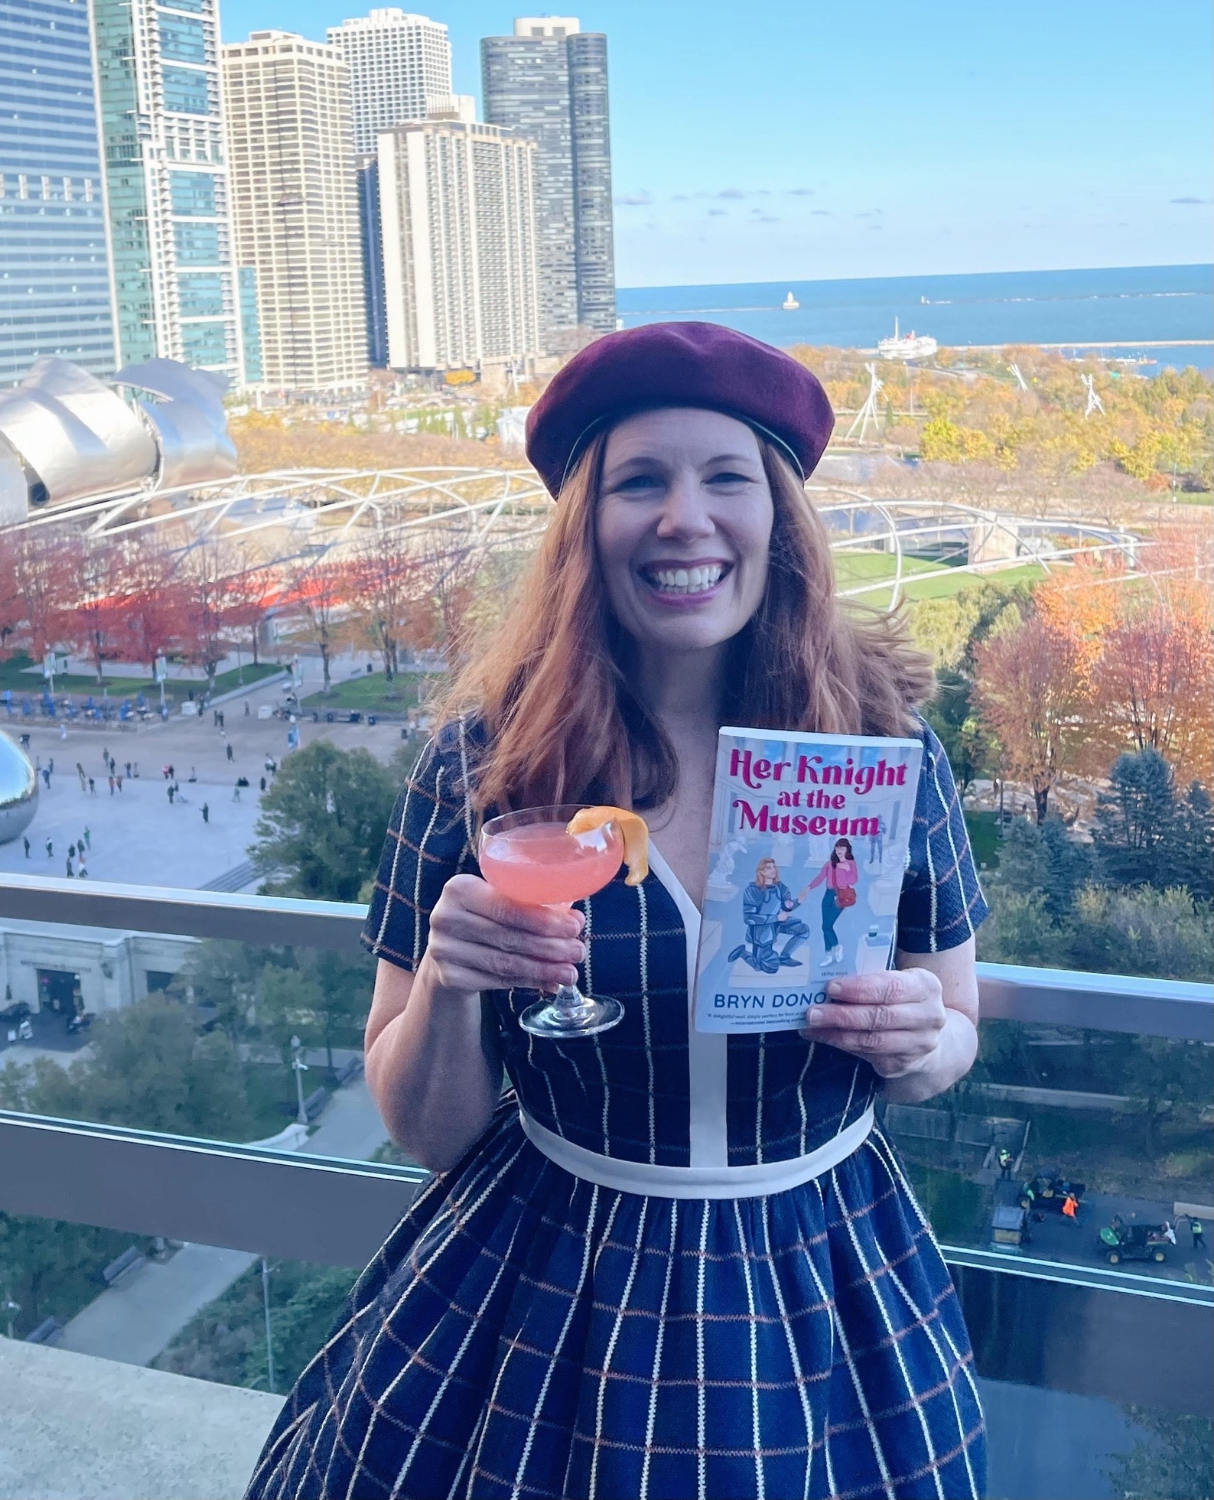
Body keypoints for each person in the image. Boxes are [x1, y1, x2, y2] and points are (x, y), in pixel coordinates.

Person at [245, 323, 988, 1499]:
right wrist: (449, 982)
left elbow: (954, 1031)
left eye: (725, 478)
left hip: (817, 1279)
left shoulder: (884, 749)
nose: (683, 519)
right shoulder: (485, 765)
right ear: (584, 527)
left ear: (779, 518)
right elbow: (427, 1131)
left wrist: (920, 1037)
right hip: (541, 1280)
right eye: (640, 480)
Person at [728, 855, 808, 972]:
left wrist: (797, 902)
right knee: (763, 967)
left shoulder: (780, 887)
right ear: (761, 872)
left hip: (778, 923)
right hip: (762, 930)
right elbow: (749, 918)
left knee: (803, 930)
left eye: (773, 867)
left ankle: (785, 956)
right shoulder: (753, 890)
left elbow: (787, 906)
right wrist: (776, 918)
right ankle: (742, 953)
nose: (773, 870)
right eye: (768, 868)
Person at [803, 836, 860, 969]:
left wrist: (846, 868)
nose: (839, 850)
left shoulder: (851, 863)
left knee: (827, 926)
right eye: (837, 847)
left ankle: (836, 946)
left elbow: (853, 880)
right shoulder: (830, 863)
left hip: (840, 895)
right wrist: (809, 887)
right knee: (825, 926)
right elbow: (821, 877)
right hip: (828, 894)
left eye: (842, 847)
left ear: (847, 849)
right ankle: (828, 955)